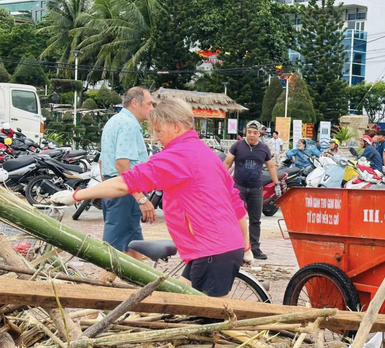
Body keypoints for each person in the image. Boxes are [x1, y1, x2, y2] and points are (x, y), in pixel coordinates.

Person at [51, 98, 252, 297]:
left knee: (210, 321)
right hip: (219, 248)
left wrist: (77, 195)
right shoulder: (204, 152)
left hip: (211, 250)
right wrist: (245, 245)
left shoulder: (178, 155)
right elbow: (236, 204)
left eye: (158, 130)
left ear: (174, 126)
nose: (156, 138)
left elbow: (124, 183)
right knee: (176, 304)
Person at [98, 86, 156, 282]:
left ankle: (144, 296)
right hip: (126, 193)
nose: (151, 108)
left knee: (134, 247)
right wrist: (139, 197)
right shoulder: (129, 125)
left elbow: (101, 161)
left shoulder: (113, 121)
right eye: (149, 104)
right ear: (135, 103)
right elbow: (122, 164)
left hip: (115, 190)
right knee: (112, 254)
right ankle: (94, 304)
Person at [224, 121, 281, 260]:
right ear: (246, 132)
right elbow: (227, 163)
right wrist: (217, 179)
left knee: (255, 220)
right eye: (249, 132)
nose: (252, 135)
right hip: (239, 187)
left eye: (255, 133)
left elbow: (271, 166)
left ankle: (255, 248)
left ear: (259, 133)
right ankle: (235, 247)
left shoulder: (264, 148)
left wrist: (277, 184)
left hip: (256, 188)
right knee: (235, 218)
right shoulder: (237, 146)